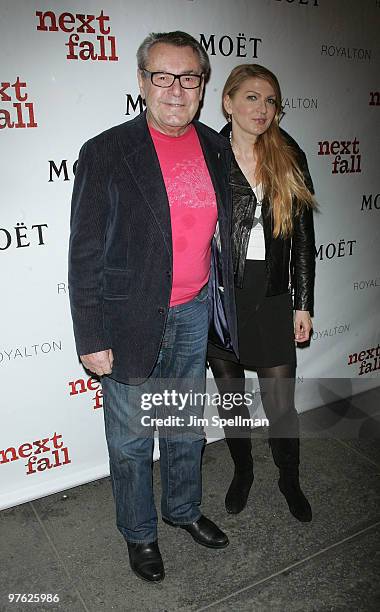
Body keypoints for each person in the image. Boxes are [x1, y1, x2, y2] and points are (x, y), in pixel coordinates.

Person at [68, 31, 238, 583]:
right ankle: (139, 533)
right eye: (162, 76)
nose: (176, 89)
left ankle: (183, 509)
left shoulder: (216, 146)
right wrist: (91, 335)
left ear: (203, 86)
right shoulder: (106, 150)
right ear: (142, 82)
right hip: (128, 319)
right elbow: (85, 251)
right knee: (132, 439)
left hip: (193, 312)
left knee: (185, 426)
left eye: (189, 78)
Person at [207, 64, 315, 521]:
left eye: (271, 100)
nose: (263, 108)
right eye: (251, 97)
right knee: (231, 401)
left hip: (271, 293)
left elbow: (305, 239)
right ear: (228, 103)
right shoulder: (208, 154)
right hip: (220, 296)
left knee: (280, 404)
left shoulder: (289, 154)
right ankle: (243, 472)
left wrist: (303, 303)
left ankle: (289, 478)